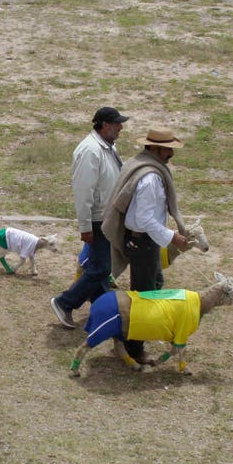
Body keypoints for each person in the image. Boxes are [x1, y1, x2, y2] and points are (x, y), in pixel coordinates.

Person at [102, 127, 192, 363]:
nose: (171, 153)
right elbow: (143, 219)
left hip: (145, 241)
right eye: (168, 149)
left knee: (154, 284)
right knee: (143, 296)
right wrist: (172, 237)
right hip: (143, 243)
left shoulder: (142, 165)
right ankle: (133, 347)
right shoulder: (151, 178)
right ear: (155, 148)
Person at [52, 106, 125, 329]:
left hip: (107, 216)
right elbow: (83, 192)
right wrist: (85, 226)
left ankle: (103, 307)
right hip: (97, 218)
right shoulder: (90, 151)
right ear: (104, 125)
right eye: (117, 124)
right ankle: (65, 302)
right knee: (101, 268)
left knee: (101, 266)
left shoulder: (107, 147)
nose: (121, 128)